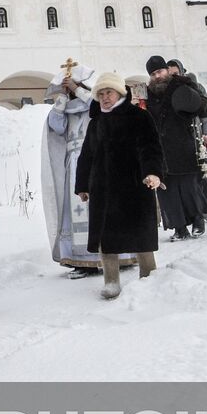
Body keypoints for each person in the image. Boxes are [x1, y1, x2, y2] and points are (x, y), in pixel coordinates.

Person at [73, 72, 164, 300]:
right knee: (107, 236)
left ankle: (149, 275)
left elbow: (150, 147)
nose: (105, 98)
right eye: (101, 94)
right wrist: (83, 184)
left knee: (141, 233)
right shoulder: (96, 123)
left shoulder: (139, 117)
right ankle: (111, 281)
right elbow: (86, 156)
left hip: (134, 185)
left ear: (120, 93)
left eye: (109, 93)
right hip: (103, 188)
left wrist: (152, 173)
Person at [42, 62, 134, 276]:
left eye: (75, 86)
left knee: (105, 208)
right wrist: (63, 98)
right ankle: (81, 260)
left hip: (98, 160)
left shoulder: (97, 105)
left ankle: (117, 255)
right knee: (76, 213)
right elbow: (56, 127)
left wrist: (76, 89)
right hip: (74, 164)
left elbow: (96, 104)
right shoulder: (66, 107)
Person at [145, 55, 207, 241]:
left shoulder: (180, 85)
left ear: (166, 70)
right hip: (161, 149)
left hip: (184, 145)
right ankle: (179, 227)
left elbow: (202, 107)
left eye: (160, 71)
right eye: (153, 73)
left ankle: (198, 220)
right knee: (168, 191)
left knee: (190, 187)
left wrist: (189, 89)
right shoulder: (148, 93)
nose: (157, 76)